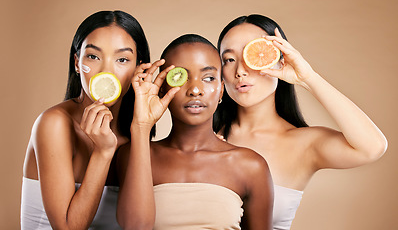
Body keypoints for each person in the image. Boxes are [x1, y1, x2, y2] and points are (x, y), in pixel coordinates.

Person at [213, 14, 388, 230]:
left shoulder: (303, 144)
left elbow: (372, 147)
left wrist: (308, 78)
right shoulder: (205, 138)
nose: (240, 71)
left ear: (280, 59)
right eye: (229, 60)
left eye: (254, 55)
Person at [117, 34, 274, 230]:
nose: (195, 90)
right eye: (180, 77)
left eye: (208, 78)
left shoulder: (251, 166)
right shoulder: (132, 154)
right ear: (162, 88)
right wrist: (141, 128)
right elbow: (135, 227)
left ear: (221, 91)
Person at [21, 10, 151, 229]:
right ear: (76, 62)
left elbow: (141, 225)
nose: (106, 71)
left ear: (139, 68)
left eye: (122, 59)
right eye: (93, 56)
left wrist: (141, 129)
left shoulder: (135, 133)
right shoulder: (54, 124)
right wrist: (103, 152)